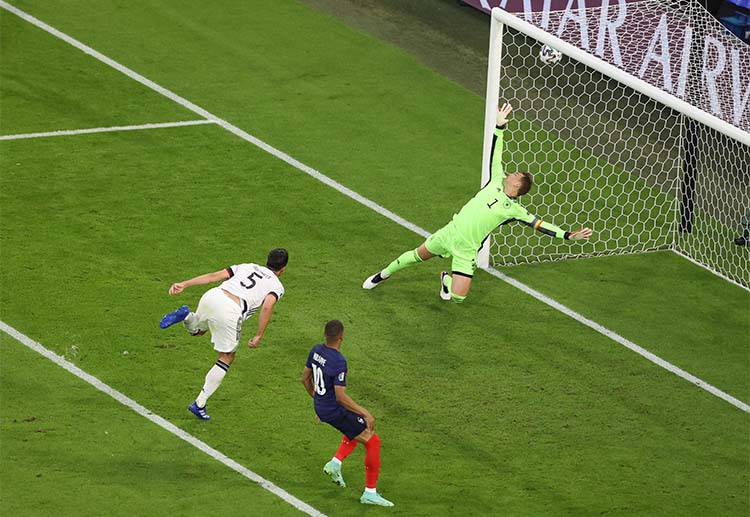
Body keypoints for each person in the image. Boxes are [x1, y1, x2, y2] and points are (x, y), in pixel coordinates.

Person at [363, 103, 593, 303]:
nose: (510, 173)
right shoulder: (495, 180)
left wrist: (567, 235)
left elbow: (540, 225)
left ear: (517, 185)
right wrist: (499, 126)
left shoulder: (514, 210)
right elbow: (496, 153)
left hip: (467, 250)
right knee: (416, 256)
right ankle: (382, 275)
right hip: (450, 232)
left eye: (515, 175)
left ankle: (446, 279)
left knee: (459, 298)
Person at [160, 248, 288, 420]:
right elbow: (267, 306)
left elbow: (214, 276)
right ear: (283, 269)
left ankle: (187, 316)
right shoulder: (276, 286)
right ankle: (200, 403)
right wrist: (259, 335)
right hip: (231, 309)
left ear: (267, 261)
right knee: (227, 356)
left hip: (213, 295)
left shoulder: (247, 266)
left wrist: (185, 284)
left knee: (198, 331)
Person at [301, 320, 394, 507]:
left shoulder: (316, 350)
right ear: (341, 336)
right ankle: (370, 493)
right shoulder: (339, 361)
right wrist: (365, 412)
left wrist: (320, 403)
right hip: (334, 409)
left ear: (325, 334)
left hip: (324, 406)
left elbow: (305, 379)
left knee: (356, 426)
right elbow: (340, 396)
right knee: (372, 440)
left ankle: (335, 464)